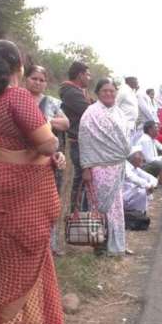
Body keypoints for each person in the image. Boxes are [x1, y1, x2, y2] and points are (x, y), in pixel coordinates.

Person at [0, 40, 66, 324]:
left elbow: (8, 141)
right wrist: (53, 143)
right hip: (20, 197)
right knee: (28, 264)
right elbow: (46, 141)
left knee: (5, 268)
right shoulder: (17, 97)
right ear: (19, 67)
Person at [79, 78, 132, 256]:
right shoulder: (90, 113)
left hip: (117, 166)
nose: (109, 94)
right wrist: (86, 167)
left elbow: (125, 139)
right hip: (98, 167)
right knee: (99, 206)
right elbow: (85, 142)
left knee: (116, 206)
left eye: (112, 91)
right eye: (105, 91)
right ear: (98, 93)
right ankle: (99, 245)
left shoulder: (119, 113)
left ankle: (116, 245)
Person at [25, 64, 70, 256]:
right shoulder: (18, 98)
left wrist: (45, 120)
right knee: (26, 202)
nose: (37, 82)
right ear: (25, 79)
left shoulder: (52, 102)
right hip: (24, 159)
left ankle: (49, 245)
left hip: (51, 158)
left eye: (42, 80)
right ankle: (29, 243)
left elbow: (66, 123)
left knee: (50, 201)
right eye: (34, 78)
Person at [59, 60, 91, 212]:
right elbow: (89, 113)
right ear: (80, 75)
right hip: (78, 142)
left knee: (83, 179)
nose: (89, 78)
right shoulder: (71, 92)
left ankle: (81, 214)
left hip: (81, 141)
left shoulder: (77, 91)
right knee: (81, 180)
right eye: (88, 74)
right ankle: (76, 216)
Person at [123, 146, 158, 214]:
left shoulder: (135, 168)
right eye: (140, 155)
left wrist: (151, 185)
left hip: (129, 195)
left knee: (144, 189)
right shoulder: (126, 166)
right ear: (134, 158)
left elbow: (153, 178)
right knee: (142, 190)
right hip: (123, 197)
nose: (143, 158)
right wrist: (148, 186)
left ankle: (141, 214)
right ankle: (139, 214)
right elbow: (133, 178)